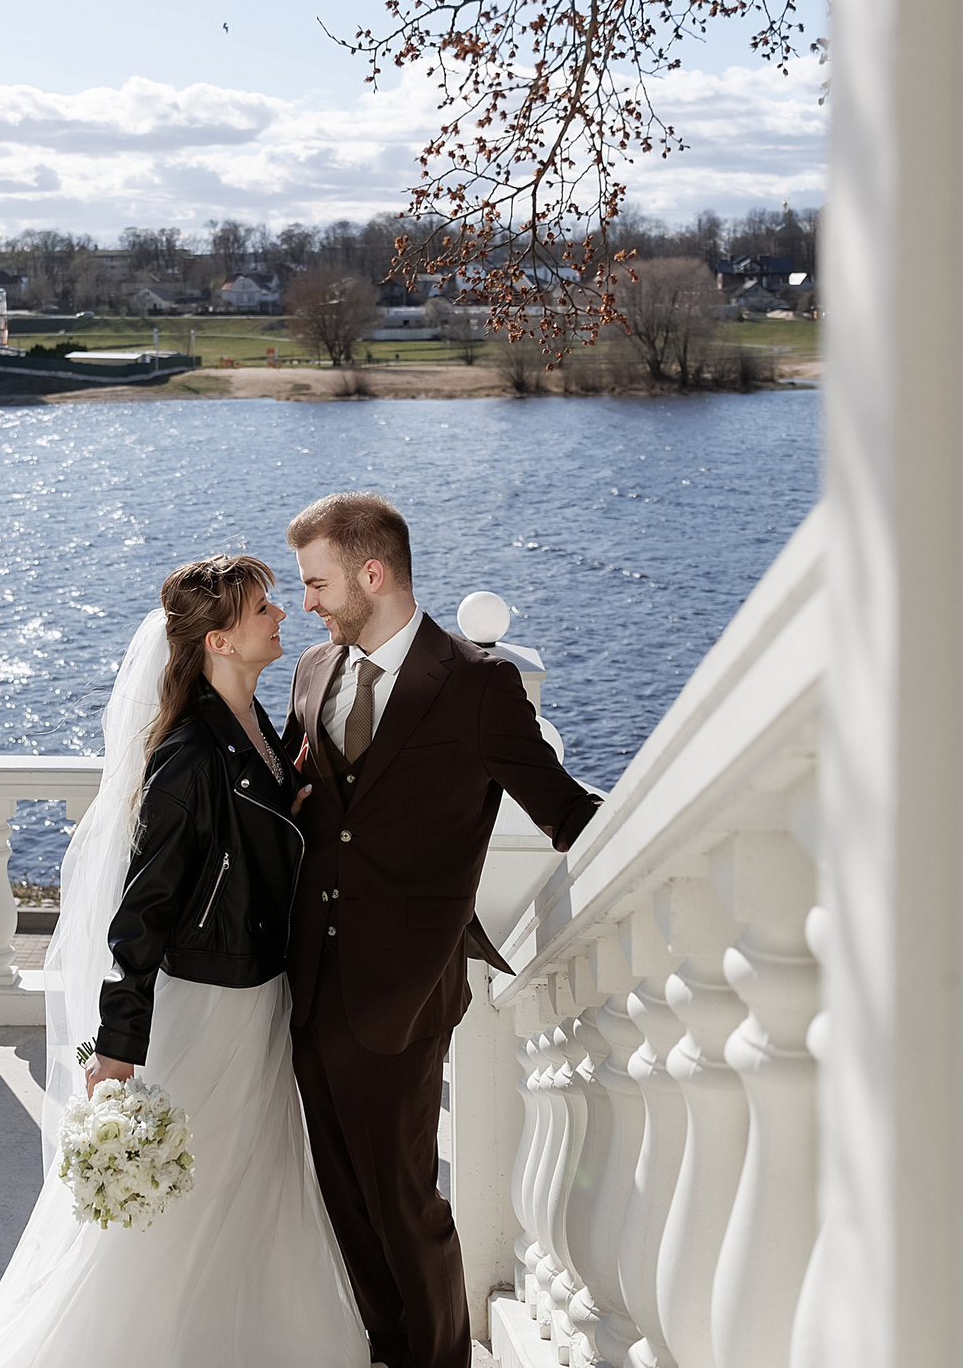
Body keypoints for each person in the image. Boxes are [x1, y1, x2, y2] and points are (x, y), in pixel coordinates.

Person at [0, 554, 366, 1367]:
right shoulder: (188, 757)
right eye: (263, 607)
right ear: (219, 639)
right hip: (210, 1006)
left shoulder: (262, 729)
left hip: (261, 996)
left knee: (253, 1184)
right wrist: (116, 1051)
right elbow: (142, 913)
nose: (281, 616)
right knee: (191, 1194)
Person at [282, 493, 604, 1368]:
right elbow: (302, 805)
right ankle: (388, 1353)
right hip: (311, 983)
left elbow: (566, 811)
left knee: (405, 1203)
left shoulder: (475, 685)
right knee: (343, 1197)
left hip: (408, 988)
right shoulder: (314, 671)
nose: (305, 601)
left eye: (317, 583)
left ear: (372, 574)